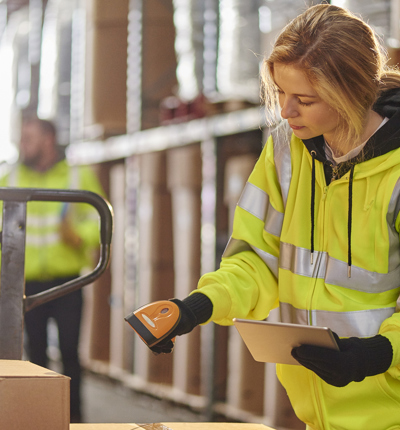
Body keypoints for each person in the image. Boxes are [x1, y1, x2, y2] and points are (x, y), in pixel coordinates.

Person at [129, 4, 400, 429]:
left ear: (350, 92)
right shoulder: (286, 155)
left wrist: (381, 354)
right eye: (280, 94)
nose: (286, 112)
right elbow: (256, 257)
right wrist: (195, 307)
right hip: (319, 410)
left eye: (305, 99)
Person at [0, 117, 105, 423]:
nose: (23, 144)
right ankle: (38, 419)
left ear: (48, 140)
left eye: (29, 138)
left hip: (68, 283)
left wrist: (80, 236)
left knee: (71, 354)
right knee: (35, 357)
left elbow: (100, 220)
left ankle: (73, 421)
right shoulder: (10, 175)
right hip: (25, 283)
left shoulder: (77, 175)